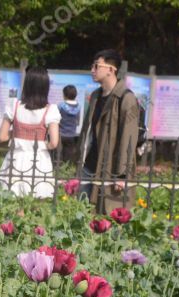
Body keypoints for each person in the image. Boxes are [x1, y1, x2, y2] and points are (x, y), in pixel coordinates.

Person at [78, 49, 139, 213]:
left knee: (109, 216)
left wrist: (122, 175)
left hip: (111, 168)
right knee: (82, 214)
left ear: (111, 70)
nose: (92, 70)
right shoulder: (95, 96)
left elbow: (129, 139)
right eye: (92, 65)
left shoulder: (126, 99)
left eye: (96, 66)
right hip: (89, 165)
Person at [0, 66, 60, 199]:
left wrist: (18, 137)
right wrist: (42, 145)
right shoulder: (51, 110)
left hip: (16, 157)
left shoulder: (14, 105)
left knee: (10, 197)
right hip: (39, 159)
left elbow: (2, 137)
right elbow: (54, 143)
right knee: (35, 199)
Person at [58, 85, 81, 166]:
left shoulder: (61, 106)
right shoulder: (78, 107)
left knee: (58, 157)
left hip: (60, 135)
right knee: (68, 158)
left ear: (65, 94)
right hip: (71, 135)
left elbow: (56, 120)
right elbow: (77, 122)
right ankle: (66, 174)